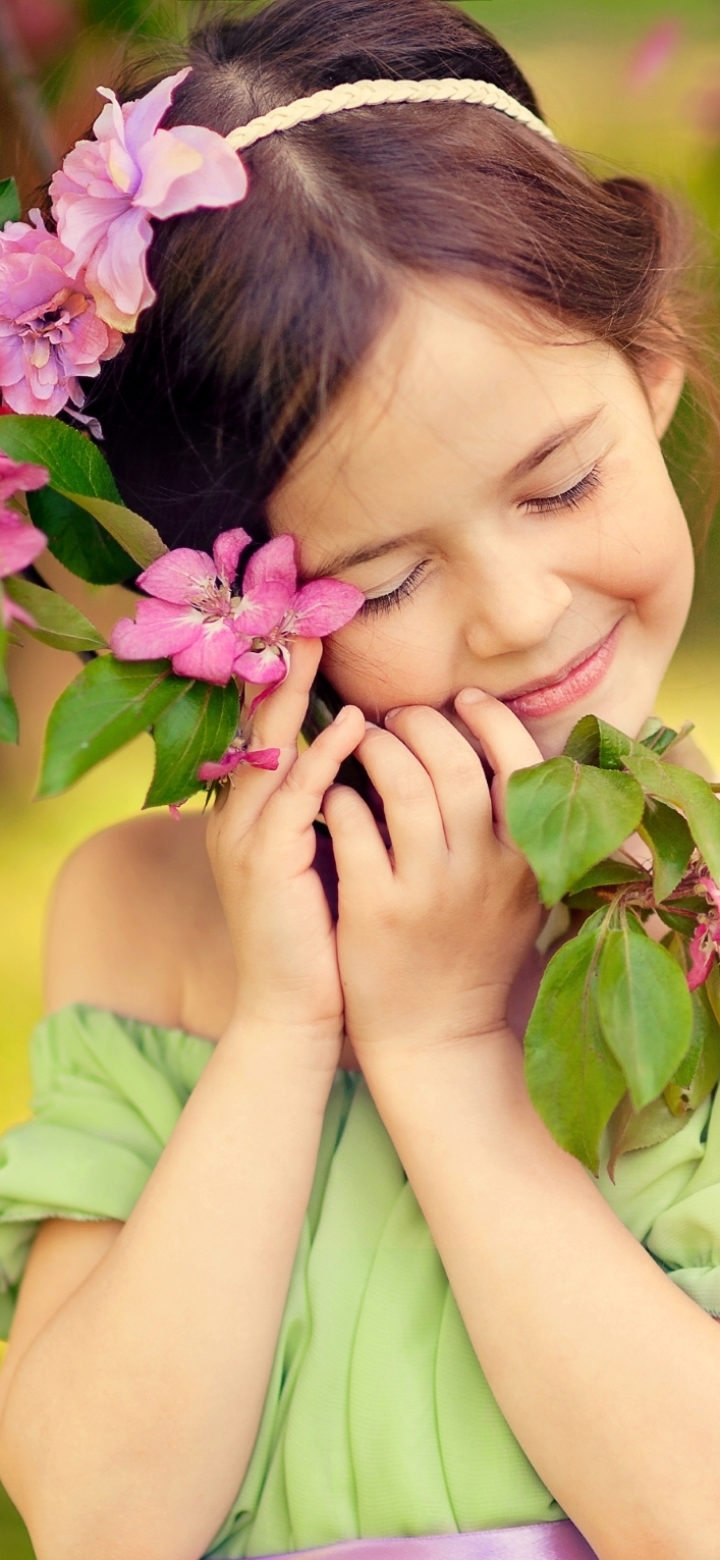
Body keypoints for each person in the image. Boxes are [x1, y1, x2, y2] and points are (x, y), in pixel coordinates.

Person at [0, 2, 720, 1556]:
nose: (522, 611)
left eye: (562, 482)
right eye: (382, 585)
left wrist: (449, 1051)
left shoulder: (701, 900)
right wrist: (282, 1026)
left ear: (651, 365)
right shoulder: (149, 922)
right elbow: (99, 1521)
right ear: (227, 613)